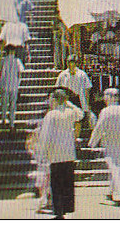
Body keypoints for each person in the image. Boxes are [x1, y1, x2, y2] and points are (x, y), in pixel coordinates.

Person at [37, 89, 84, 219]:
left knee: (57, 183)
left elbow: (45, 135)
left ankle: (59, 211)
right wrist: (69, 104)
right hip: (68, 152)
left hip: (55, 153)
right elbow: (81, 114)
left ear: (55, 100)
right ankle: (67, 207)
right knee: (67, 181)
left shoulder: (51, 115)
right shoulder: (70, 113)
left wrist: (42, 152)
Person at [88, 88, 120, 205]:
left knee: (115, 168)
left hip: (110, 142)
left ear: (110, 97)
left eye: (106, 96)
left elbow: (99, 128)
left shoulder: (106, 111)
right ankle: (112, 190)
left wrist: (92, 142)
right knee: (117, 166)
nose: (104, 98)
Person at [55, 55, 96, 139]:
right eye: (70, 63)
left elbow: (87, 89)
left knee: (78, 119)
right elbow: (58, 88)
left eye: (73, 63)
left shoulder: (82, 74)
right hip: (67, 99)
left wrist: (87, 103)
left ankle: (76, 137)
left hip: (78, 98)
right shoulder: (63, 75)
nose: (71, 65)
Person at [0, 44, 25, 130]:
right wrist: (18, 82)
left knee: (4, 104)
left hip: (5, 85)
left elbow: (0, 71)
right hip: (13, 85)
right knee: (12, 105)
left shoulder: (3, 60)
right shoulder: (17, 61)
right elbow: (20, 72)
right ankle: (11, 123)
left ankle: (3, 120)